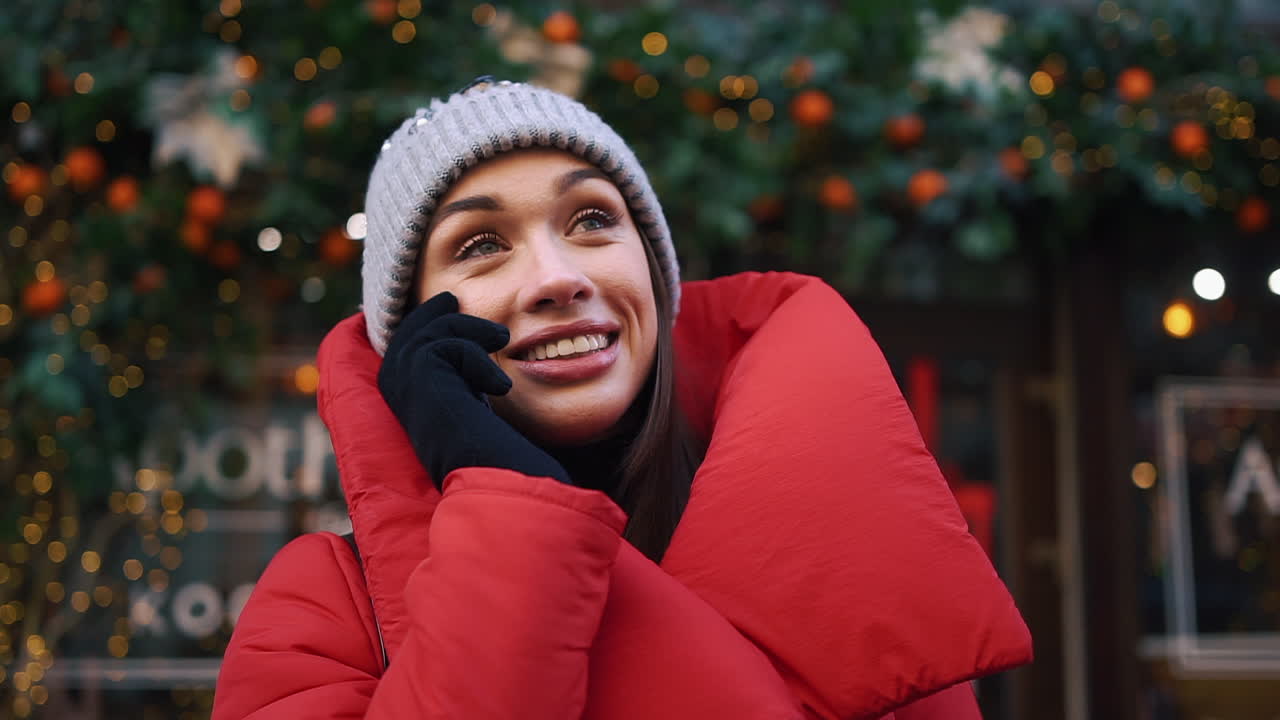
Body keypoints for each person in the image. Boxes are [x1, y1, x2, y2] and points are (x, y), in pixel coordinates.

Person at [212, 78, 1032, 720]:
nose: (559, 278)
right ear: (414, 331)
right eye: (482, 244)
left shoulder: (856, 553)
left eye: (593, 221)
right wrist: (511, 509)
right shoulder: (323, 609)